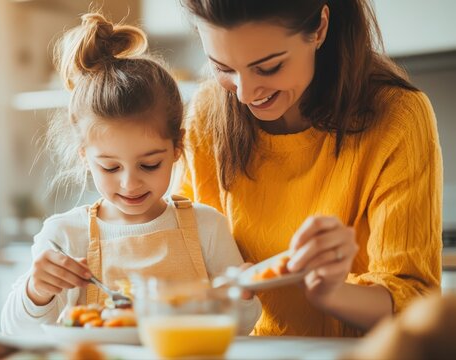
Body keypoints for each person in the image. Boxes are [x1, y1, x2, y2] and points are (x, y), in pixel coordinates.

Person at [177, 0, 442, 337]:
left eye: (269, 67)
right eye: (222, 68)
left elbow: (418, 304)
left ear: (319, 28)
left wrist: (333, 293)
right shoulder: (207, 114)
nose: (244, 93)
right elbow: (179, 261)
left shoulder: (399, 117)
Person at [0, 12, 262, 335]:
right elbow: (16, 332)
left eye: (149, 164)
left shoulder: (207, 228)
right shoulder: (66, 236)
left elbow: (242, 326)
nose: (130, 183)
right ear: (85, 157)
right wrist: (35, 292)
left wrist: (243, 296)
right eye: (110, 167)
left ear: (177, 146)